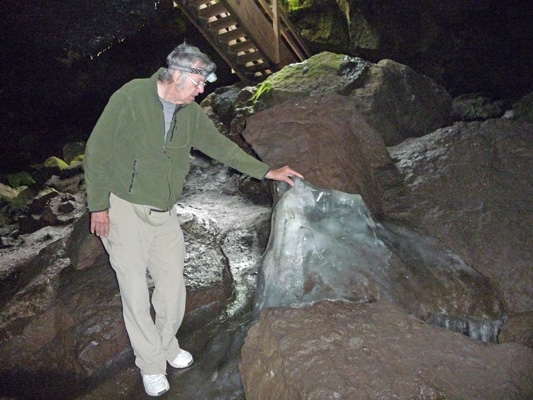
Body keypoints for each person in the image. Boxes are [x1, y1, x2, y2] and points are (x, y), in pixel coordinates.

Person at [84, 42, 303, 397]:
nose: (203, 91)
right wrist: (98, 206)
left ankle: (167, 344)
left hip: (164, 211)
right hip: (123, 208)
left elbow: (221, 147)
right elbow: (97, 150)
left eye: (204, 84)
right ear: (177, 75)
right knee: (136, 295)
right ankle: (151, 365)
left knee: (173, 289)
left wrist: (267, 172)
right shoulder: (130, 97)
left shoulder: (191, 113)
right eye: (199, 83)